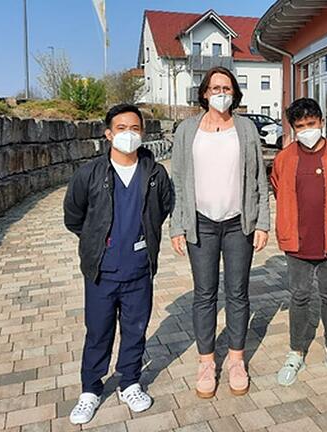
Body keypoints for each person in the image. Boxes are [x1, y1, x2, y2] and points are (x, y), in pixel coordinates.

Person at [63, 104, 174, 424]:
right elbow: (74, 216)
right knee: (98, 331)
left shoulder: (155, 174)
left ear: (143, 133)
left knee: (135, 329)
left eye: (135, 128)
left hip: (139, 268)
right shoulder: (90, 174)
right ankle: (90, 390)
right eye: (122, 128)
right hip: (102, 270)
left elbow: (163, 209)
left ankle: (129, 382)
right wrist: (99, 242)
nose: (129, 134)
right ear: (108, 133)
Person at [169, 66, 270, 399]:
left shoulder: (245, 129)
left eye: (227, 88)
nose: (221, 93)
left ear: (234, 93)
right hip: (202, 223)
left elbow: (259, 179)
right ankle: (206, 362)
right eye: (215, 88)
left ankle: (237, 361)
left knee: (238, 293)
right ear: (204, 93)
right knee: (204, 294)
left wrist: (262, 222)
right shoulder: (187, 130)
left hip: (237, 223)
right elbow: (179, 181)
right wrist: (178, 225)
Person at [270, 98, 327, 386]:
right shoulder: (284, 159)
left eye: (311, 124)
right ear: (293, 128)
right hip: (297, 242)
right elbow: (277, 189)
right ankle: (295, 351)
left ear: (321, 122)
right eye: (300, 126)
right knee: (298, 297)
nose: (307, 130)